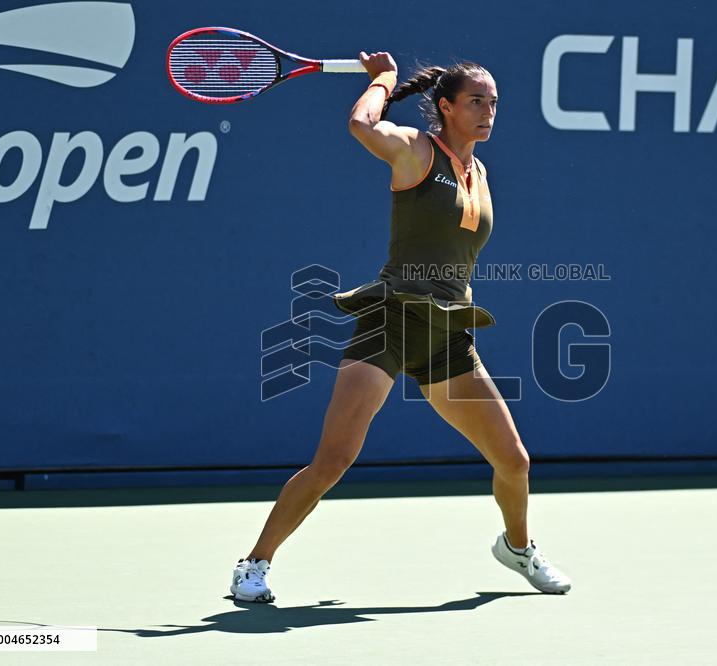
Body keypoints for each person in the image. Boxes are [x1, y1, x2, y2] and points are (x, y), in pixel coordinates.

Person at [229, 51, 572, 603]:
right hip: (391, 321)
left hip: (448, 332)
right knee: (333, 459)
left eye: (494, 103)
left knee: (514, 460)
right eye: (476, 102)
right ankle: (254, 564)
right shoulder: (416, 152)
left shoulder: (479, 173)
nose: (489, 112)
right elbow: (360, 125)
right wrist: (383, 81)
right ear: (446, 106)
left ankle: (517, 548)